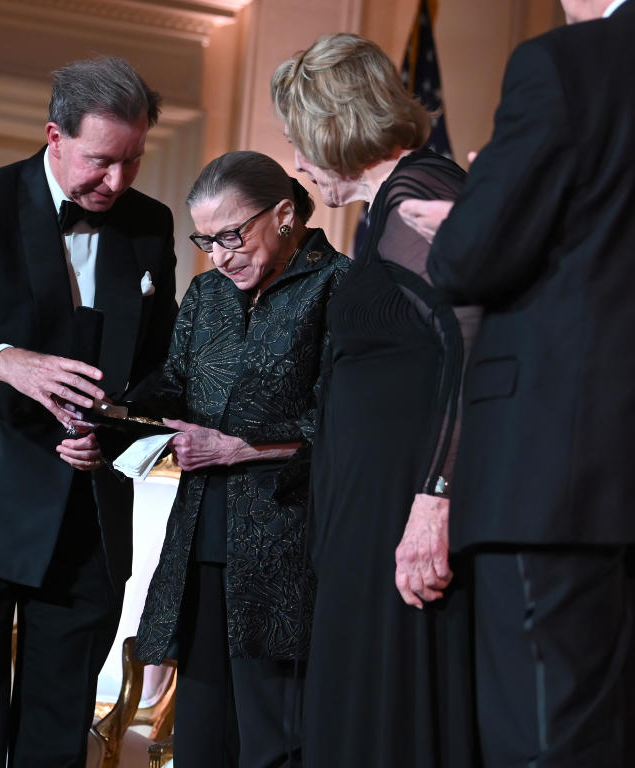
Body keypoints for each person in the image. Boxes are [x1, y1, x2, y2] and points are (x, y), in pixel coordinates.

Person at [0, 56, 177, 767]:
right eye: (101, 162)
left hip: (86, 516)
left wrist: (112, 437)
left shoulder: (150, 225)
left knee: (58, 734)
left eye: (132, 163)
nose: (116, 182)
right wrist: (6, 360)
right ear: (54, 135)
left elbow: (161, 366)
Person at [397, 1, 635, 764]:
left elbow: (476, 257)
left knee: (544, 737)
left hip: (556, 469)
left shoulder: (568, 61)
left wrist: (460, 222)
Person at [271, 34, 481, 767]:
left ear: (333, 127)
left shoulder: (418, 196)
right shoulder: (392, 206)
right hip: (371, 513)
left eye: (298, 139)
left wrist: (437, 497)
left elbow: (474, 342)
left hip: (404, 509)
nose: (296, 162)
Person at [132, 150, 348, 767]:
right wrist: (116, 408)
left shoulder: (340, 286)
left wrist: (239, 448)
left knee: (274, 743)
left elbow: (345, 421)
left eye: (232, 235)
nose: (220, 255)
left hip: (288, 555)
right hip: (202, 542)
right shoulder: (207, 294)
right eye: (207, 239)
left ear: (283, 214)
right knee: (202, 745)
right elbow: (172, 384)